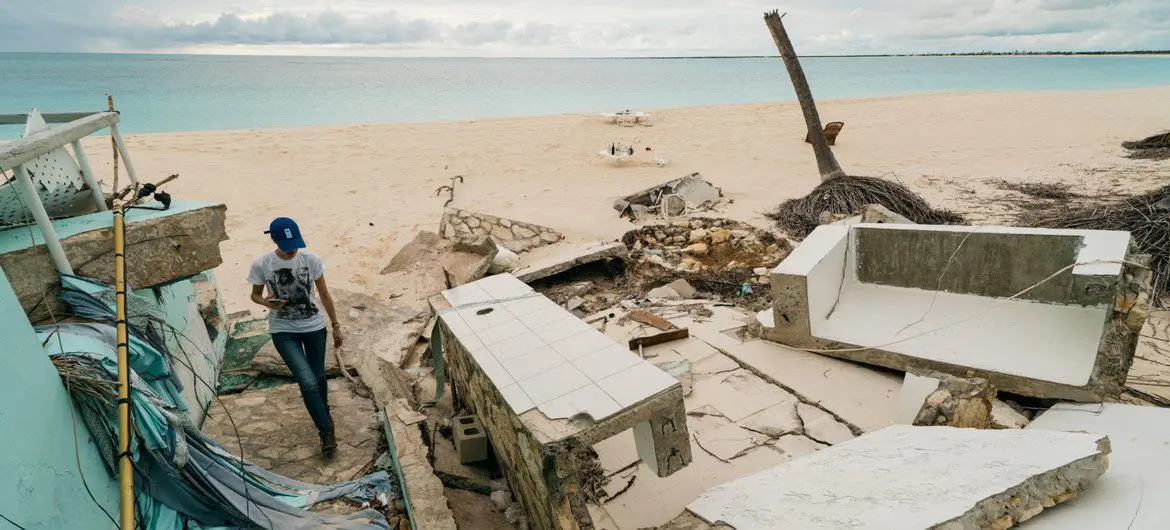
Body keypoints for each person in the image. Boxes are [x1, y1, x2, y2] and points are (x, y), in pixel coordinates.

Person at [247, 217, 344, 456]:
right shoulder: (261, 264)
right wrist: (268, 303)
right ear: (274, 240)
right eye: (288, 246)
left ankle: (323, 412)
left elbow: (324, 295)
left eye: (296, 245)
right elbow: (255, 296)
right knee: (307, 381)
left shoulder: (311, 260)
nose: (292, 251)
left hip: (313, 327)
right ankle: (325, 431)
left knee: (319, 377)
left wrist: (336, 325)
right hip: (283, 331)